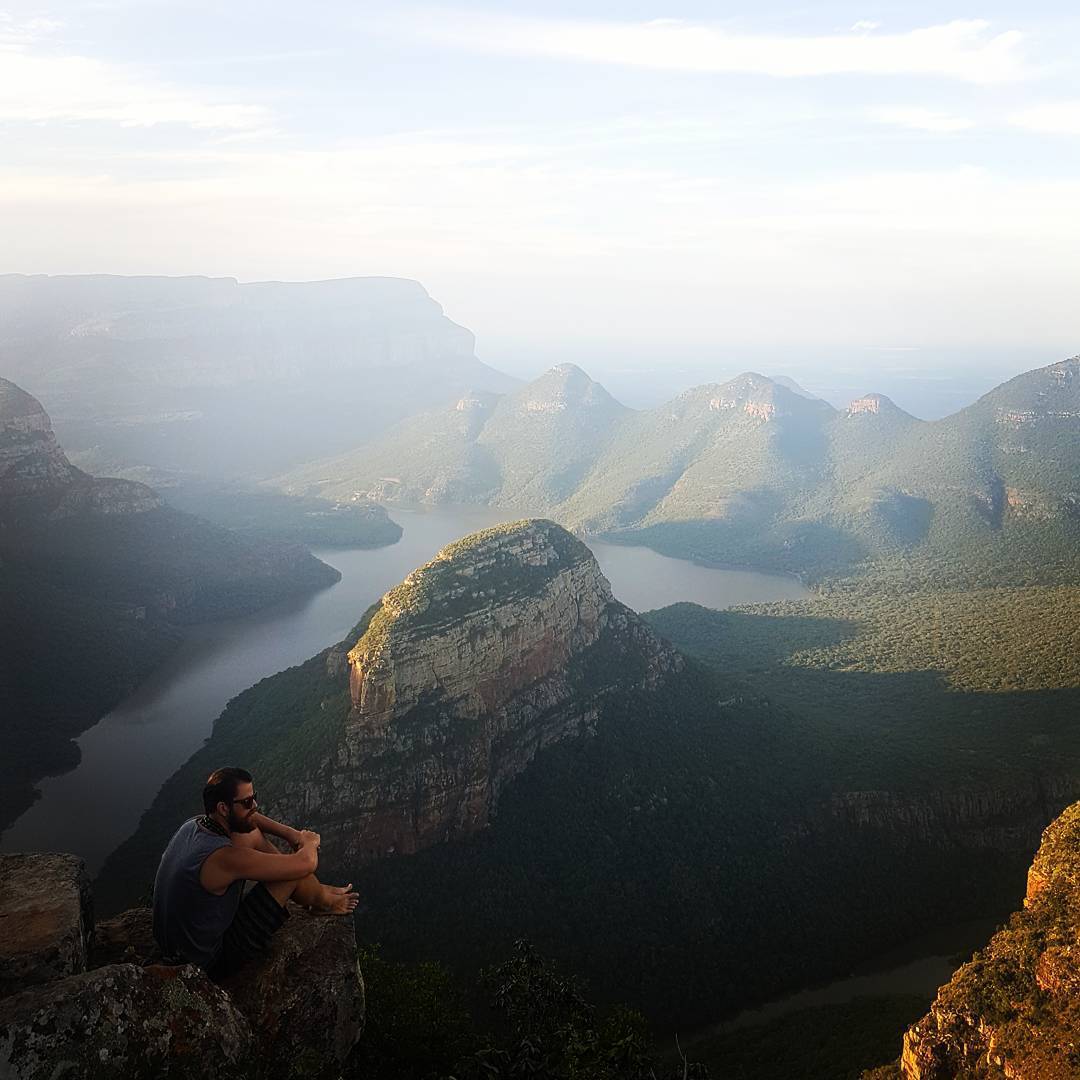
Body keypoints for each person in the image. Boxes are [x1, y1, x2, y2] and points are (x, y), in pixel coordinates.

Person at [152, 766, 359, 980]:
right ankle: (322, 901)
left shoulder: (193, 825)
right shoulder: (224, 858)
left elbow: (251, 821)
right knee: (291, 872)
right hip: (206, 964)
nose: (255, 806)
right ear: (223, 808)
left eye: (254, 798)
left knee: (251, 835)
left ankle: (316, 894)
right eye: (248, 802)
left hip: (173, 944)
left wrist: (292, 834)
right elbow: (306, 863)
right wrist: (309, 841)